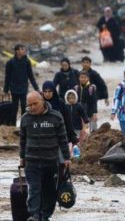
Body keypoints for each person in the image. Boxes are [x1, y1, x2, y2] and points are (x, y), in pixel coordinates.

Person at [20, 91, 70, 221]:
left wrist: (66, 157)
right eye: (29, 105)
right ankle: (34, 215)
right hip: (32, 161)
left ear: (42, 100)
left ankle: (46, 215)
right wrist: (22, 157)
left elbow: (63, 139)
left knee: (49, 190)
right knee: (34, 189)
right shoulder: (25, 118)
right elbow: (23, 140)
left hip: (50, 161)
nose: (32, 107)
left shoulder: (56, 117)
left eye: (35, 104)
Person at [4, 44, 39, 126]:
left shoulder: (27, 61)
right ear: (17, 51)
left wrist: (36, 88)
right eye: (22, 49)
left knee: (24, 106)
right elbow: (7, 77)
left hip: (23, 88)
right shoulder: (10, 62)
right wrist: (5, 90)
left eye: (24, 49)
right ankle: (12, 125)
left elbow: (31, 76)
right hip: (14, 88)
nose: (24, 50)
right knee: (14, 108)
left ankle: (23, 125)